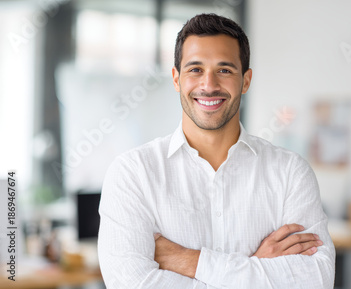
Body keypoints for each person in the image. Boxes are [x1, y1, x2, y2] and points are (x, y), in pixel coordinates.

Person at [98, 13, 335, 289]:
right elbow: (132, 284)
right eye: (195, 69)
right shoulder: (133, 174)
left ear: (245, 81)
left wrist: (189, 261)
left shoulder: (290, 172)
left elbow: (315, 279)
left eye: (224, 70)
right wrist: (257, 265)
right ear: (176, 79)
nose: (208, 85)